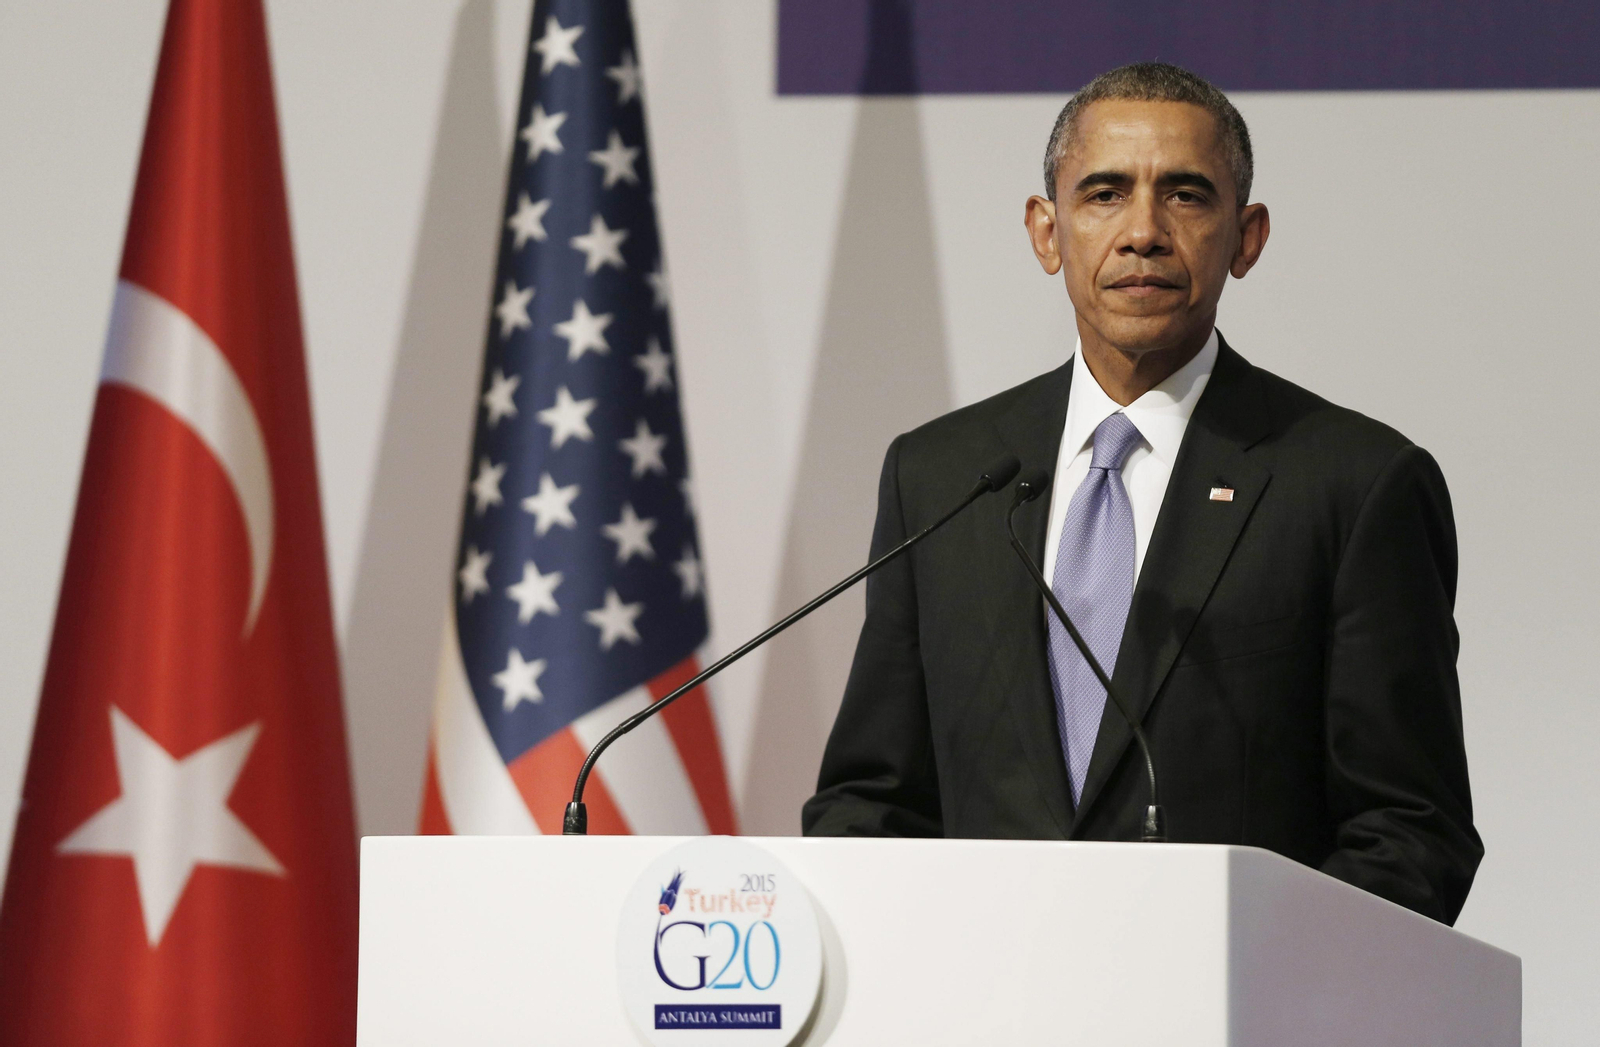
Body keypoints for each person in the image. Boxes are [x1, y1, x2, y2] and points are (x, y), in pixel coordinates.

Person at [802, 62, 1481, 925]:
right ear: (1047, 233)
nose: (1144, 232)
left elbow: (1410, 832)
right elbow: (871, 804)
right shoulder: (942, 475)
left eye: (1188, 195)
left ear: (1247, 236)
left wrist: (1249, 986)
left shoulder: (1352, 485)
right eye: (1105, 194)